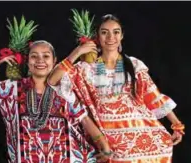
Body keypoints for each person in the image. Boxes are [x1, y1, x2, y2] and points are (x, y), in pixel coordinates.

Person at [48, 14, 185, 163]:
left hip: (143, 133)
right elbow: (52, 80)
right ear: (97, 36)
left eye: (116, 32)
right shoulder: (86, 69)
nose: (110, 37)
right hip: (110, 139)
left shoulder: (133, 65)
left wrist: (176, 124)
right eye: (104, 32)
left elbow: (152, 94)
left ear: (122, 36)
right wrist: (77, 52)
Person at [0, 40, 111, 163]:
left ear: (54, 61)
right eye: (34, 56)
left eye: (46, 56)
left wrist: (105, 147)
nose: (40, 60)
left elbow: (84, 119)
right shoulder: (14, 88)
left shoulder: (63, 90)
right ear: (28, 63)